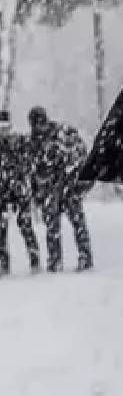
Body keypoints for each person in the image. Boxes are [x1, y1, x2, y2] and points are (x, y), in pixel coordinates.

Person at [27, 106, 94, 272]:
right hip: (52, 189)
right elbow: (33, 170)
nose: (38, 128)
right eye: (35, 125)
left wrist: (78, 182)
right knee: (54, 227)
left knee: (76, 223)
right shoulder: (35, 141)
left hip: (68, 186)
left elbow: (81, 157)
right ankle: (56, 261)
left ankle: (84, 258)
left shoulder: (63, 134)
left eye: (39, 124)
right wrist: (37, 193)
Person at [0, 110, 40, 276]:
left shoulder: (20, 142)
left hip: (19, 189)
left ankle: (35, 260)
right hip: (2, 191)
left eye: (5, 127)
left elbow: (30, 163)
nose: (3, 130)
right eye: (1, 127)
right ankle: (3, 265)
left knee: (25, 225)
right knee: (1, 228)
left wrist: (24, 182)